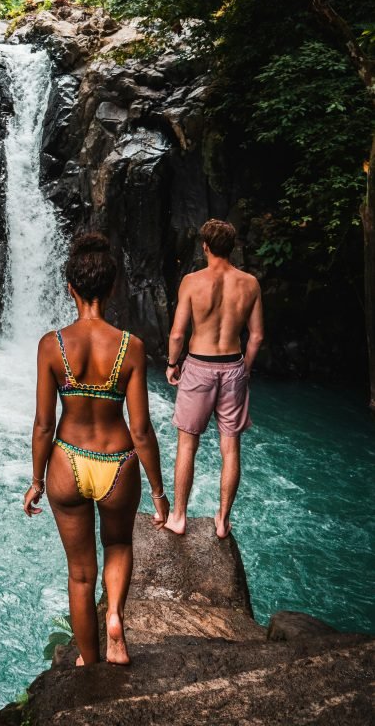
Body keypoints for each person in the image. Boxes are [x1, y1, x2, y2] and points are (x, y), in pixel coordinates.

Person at [23, 233, 169, 667]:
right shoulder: (132, 348)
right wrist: (160, 494)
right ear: (111, 288)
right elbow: (141, 430)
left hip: (67, 459)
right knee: (119, 544)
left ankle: (89, 664)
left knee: (80, 575)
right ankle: (116, 622)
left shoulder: (52, 345)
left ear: (70, 287)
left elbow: (44, 424)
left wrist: (35, 480)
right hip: (118, 462)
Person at [164, 218, 264, 539]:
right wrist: (245, 368)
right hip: (233, 366)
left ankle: (179, 517)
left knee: (187, 446)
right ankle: (222, 521)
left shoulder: (192, 282)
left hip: (198, 366)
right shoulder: (249, 283)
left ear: (204, 246)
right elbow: (257, 336)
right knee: (231, 448)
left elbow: (178, 333)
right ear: (232, 247)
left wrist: (171, 364)